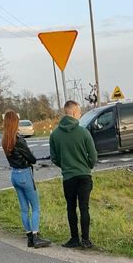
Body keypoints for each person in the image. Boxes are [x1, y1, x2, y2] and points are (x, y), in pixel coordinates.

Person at [49, 100, 98, 249]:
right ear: (74, 113)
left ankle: (74, 238)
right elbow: (93, 155)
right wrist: (87, 166)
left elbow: (54, 158)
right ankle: (86, 240)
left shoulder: (55, 135)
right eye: (80, 112)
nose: (80, 114)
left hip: (68, 177)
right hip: (84, 176)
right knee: (84, 208)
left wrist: (65, 166)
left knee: (71, 208)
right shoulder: (83, 132)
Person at [2, 110, 51, 248]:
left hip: (14, 175)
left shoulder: (5, 140)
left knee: (24, 208)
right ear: (15, 123)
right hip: (24, 174)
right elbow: (32, 159)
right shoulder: (19, 140)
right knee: (35, 207)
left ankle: (29, 237)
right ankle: (36, 237)